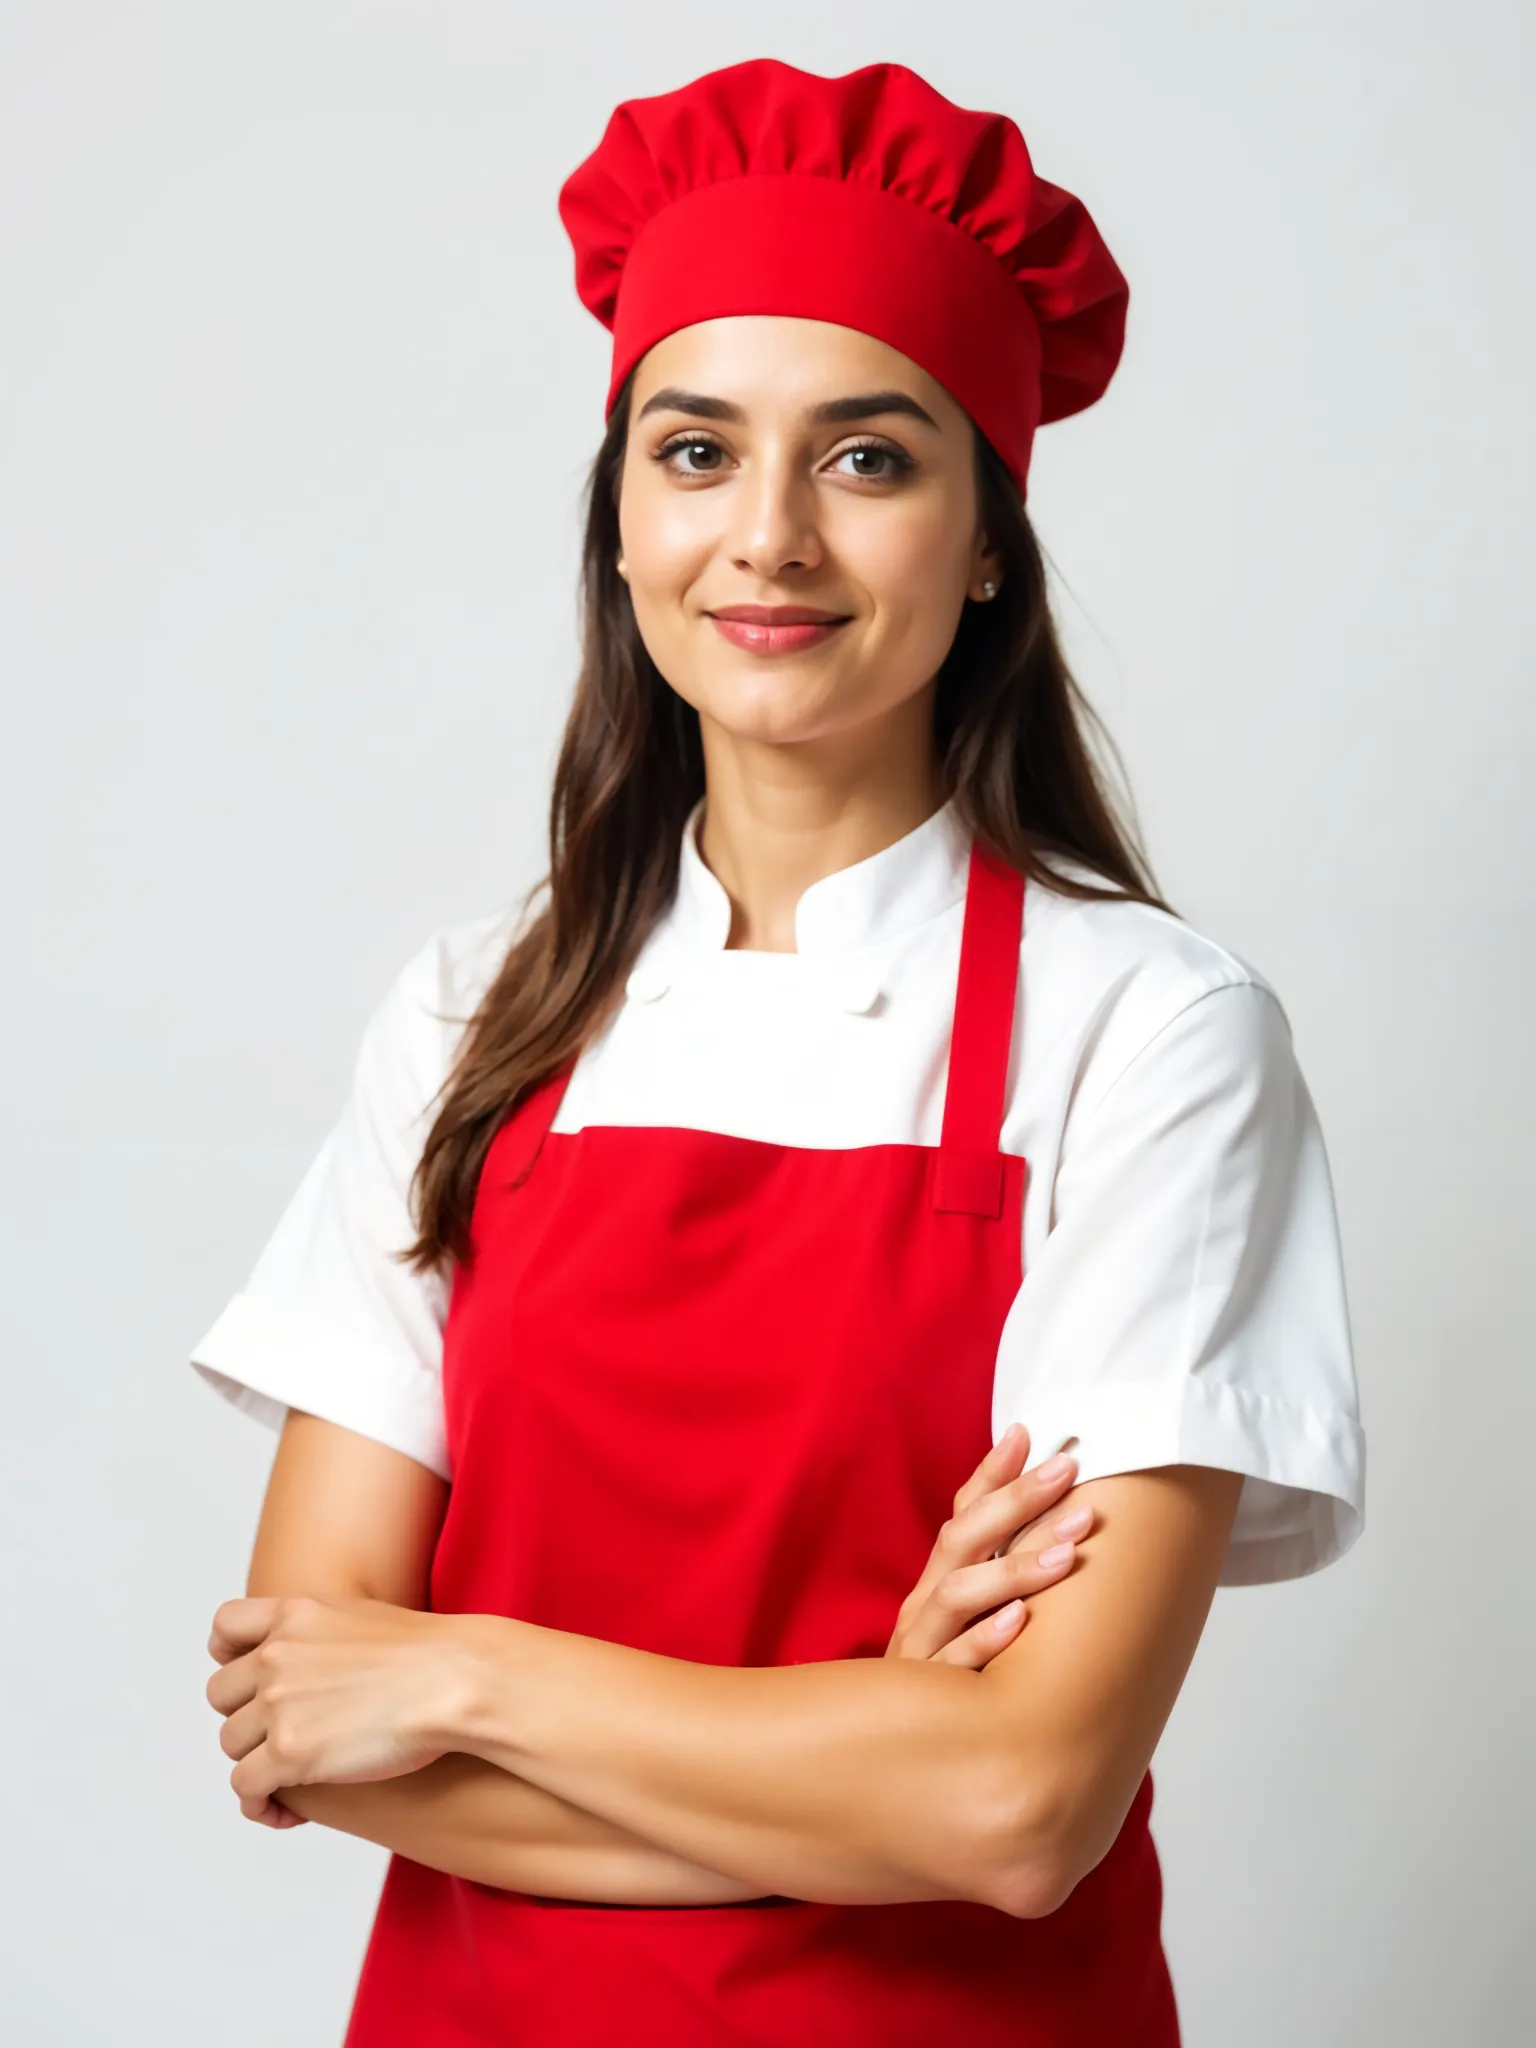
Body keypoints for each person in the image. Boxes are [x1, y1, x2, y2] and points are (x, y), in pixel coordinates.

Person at [192, 56, 1367, 2047]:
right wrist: (864, 1748)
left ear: (987, 534)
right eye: (696, 449)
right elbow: (311, 1727)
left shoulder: (1150, 1038)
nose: (769, 538)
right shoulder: (477, 1013)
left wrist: (471, 1676)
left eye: (869, 457)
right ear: (622, 513)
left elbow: (1018, 1805)